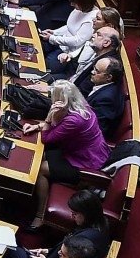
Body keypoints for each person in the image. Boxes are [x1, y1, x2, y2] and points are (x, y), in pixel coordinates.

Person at [23, 80, 110, 228]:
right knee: (38, 157)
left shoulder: (74, 120)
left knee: (40, 170)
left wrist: (49, 118)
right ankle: (27, 196)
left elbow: (47, 138)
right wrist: (37, 126)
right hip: (83, 152)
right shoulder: (82, 106)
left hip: (86, 163)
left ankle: (40, 215)